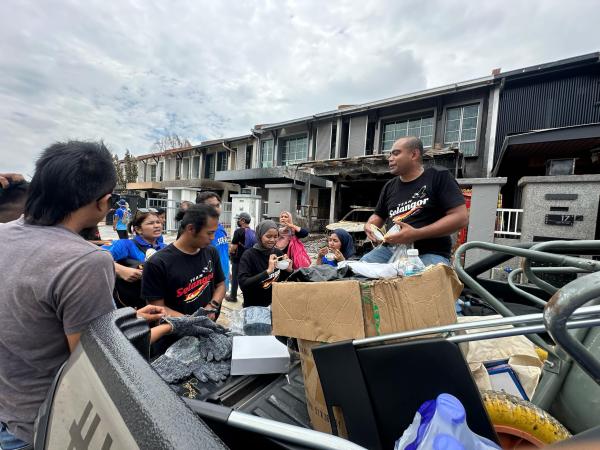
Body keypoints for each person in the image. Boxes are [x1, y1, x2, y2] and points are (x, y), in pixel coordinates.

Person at [0, 142, 173, 449]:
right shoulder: (86, 262)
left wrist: (128, 319)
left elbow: (38, 318)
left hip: (8, 408)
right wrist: (165, 328)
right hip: (45, 426)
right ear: (103, 202)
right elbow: (93, 365)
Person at [362, 137, 468, 266]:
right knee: (356, 271)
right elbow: (378, 215)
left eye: (396, 153)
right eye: (390, 155)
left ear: (414, 154)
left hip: (430, 252)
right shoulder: (390, 186)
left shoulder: (438, 176)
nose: (390, 158)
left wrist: (416, 234)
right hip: (389, 250)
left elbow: (460, 218)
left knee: (418, 278)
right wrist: (370, 226)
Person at [142, 204, 226, 319]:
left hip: (207, 325)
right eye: (209, 233)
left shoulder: (211, 252)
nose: (212, 237)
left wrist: (212, 306)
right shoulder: (157, 263)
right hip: (176, 329)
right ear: (191, 229)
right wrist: (192, 322)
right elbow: (156, 308)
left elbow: (220, 285)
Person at [104, 208, 166, 308]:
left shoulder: (165, 248)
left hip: (159, 304)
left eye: (158, 222)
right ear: (138, 229)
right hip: (131, 306)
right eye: (150, 223)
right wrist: (121, 270)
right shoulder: (126, 245)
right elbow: (96, 258)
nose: (157, 226)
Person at [238, 220, 293, 308]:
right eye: (268, 236)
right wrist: (268, 271)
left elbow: (282, 279)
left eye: (275, 236)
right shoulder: (249, 255)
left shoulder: (278, 253)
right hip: (254, 307)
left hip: (274, 306)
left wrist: (289, 270)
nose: (272, 240)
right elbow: (243, 284)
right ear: (260, 236)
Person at [196, 192, 230, 293]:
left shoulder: (220, 227)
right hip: (207, 281)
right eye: (211, 206)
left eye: (217, 205)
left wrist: (227, 271)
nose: (216, 209)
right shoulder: (198, 231)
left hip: (223, 277)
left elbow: (223, 251)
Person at [227, 212, 256, 302]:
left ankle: (233, 296)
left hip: (238, 259)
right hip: (249, 259)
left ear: (243, 221)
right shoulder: (253, 232)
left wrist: (230, 253)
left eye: (239, 219)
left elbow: (233, 247)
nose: (238, 221)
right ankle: (247, 299)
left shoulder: (238, 231)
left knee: (235, 278)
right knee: (246, 279)